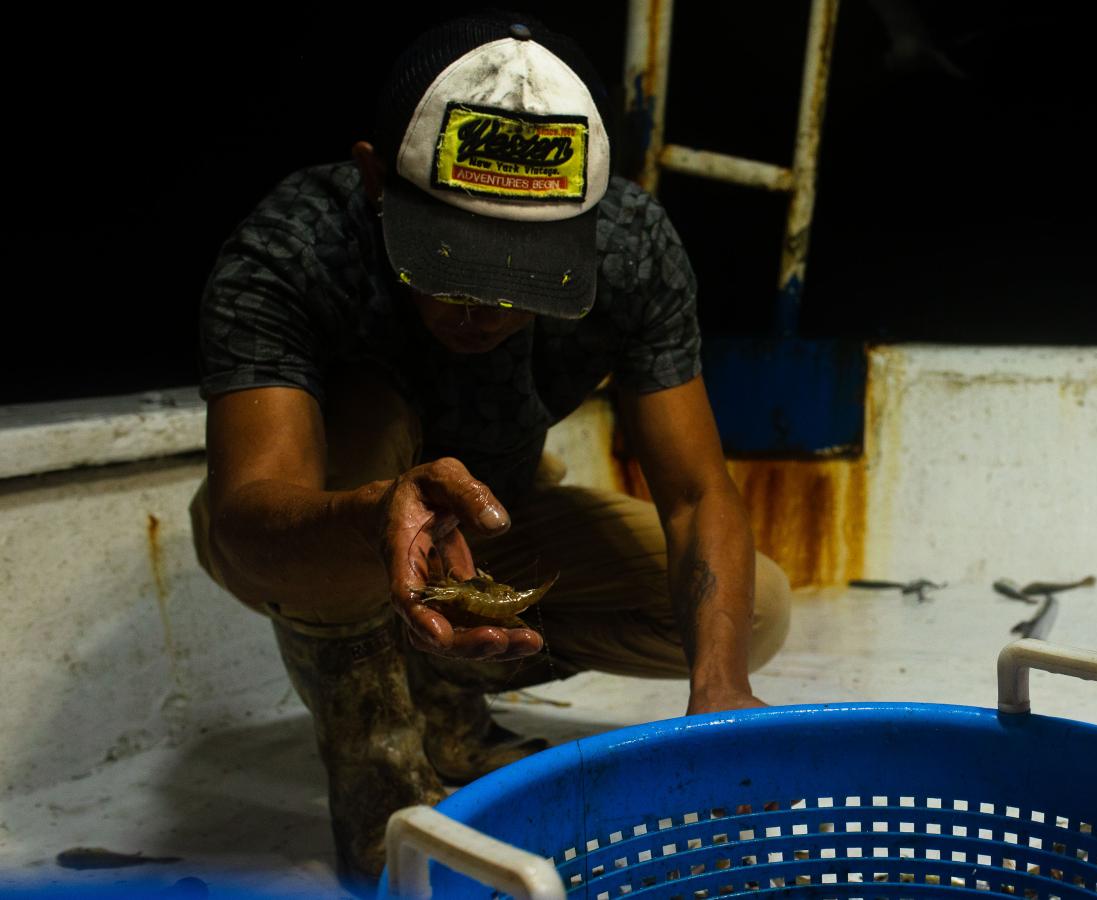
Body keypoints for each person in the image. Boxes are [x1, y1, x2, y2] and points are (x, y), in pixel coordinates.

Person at [189, 12, 791, 889]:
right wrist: (372, 518)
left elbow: (699, 495)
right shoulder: (296, 246)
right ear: (374, 182)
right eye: (450, 259)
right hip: (316, 529)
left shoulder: (631, 245)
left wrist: (719, 694)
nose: (484, 307)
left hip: (494, 512)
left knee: (754, 612)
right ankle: (381, 761)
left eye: (523, 270)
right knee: (370, 417)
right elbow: (248, 517)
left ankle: (443, 696)